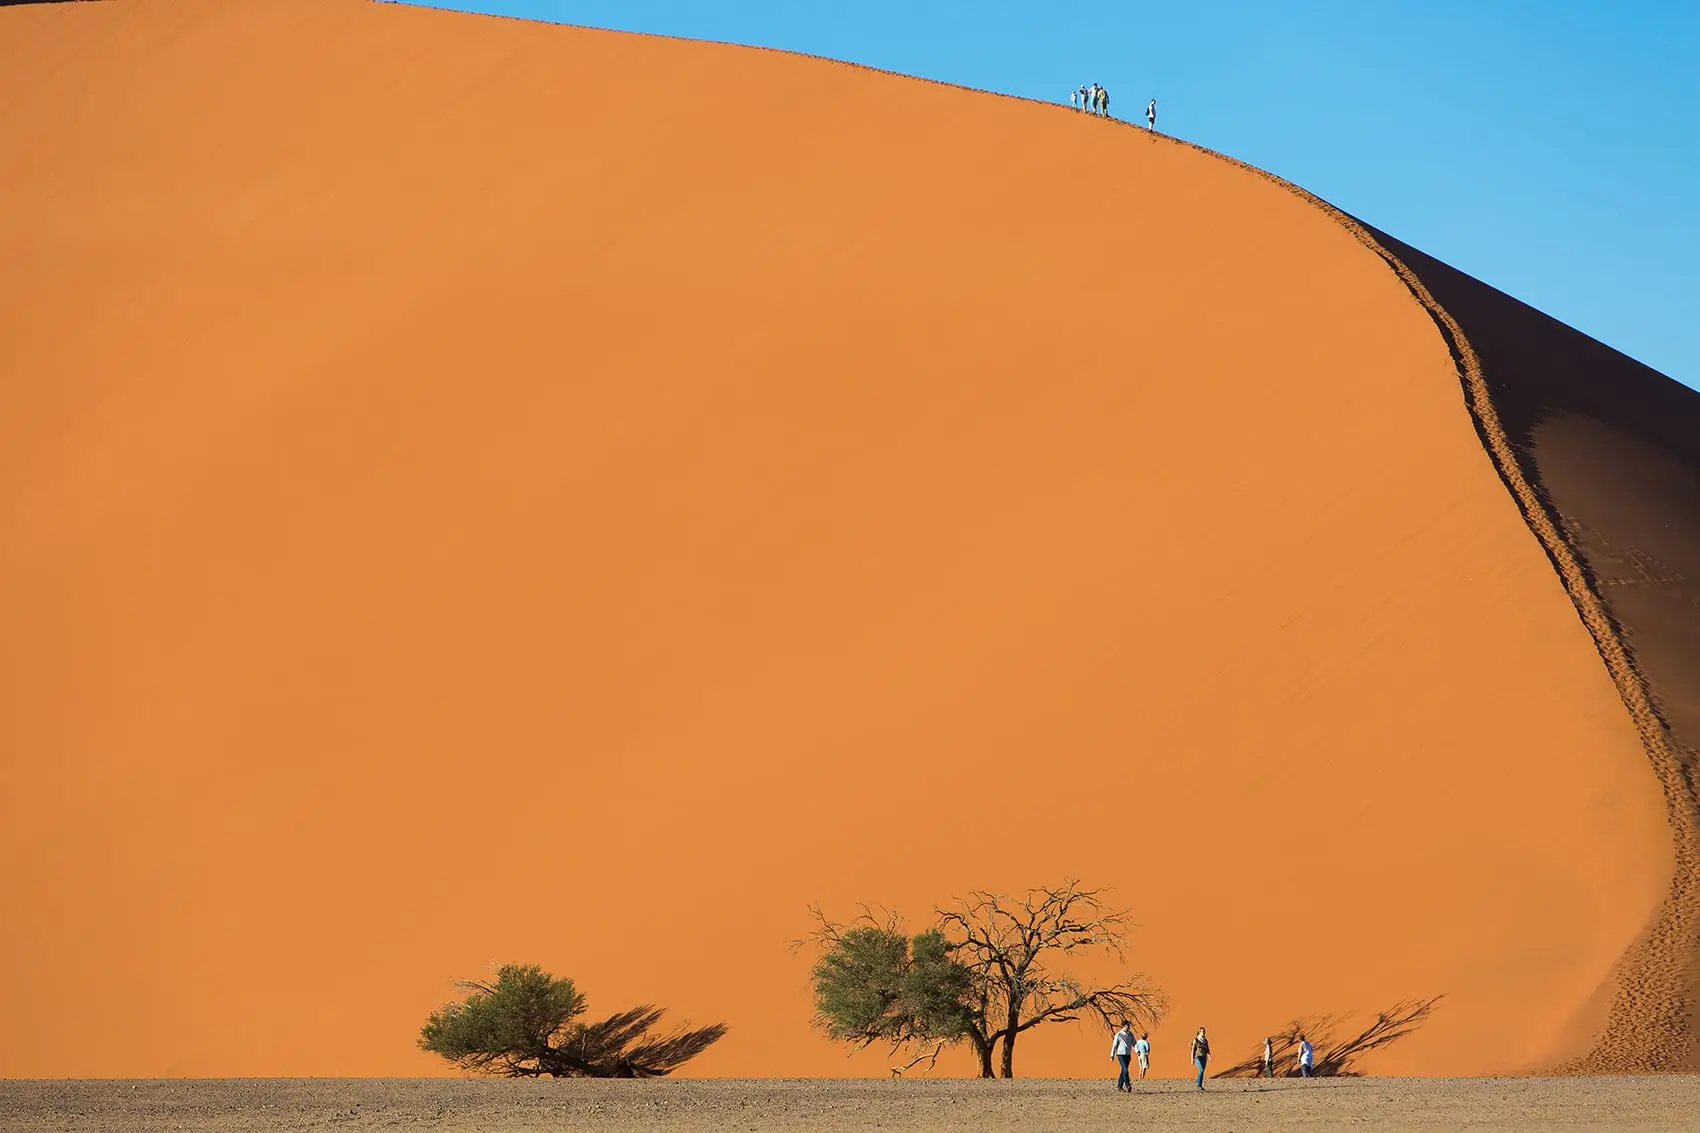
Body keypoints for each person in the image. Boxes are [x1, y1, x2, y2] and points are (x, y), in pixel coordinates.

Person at [1111, 1022, 1136, 1092]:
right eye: (1127, 1025)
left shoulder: (1130, 1034)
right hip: (1120, 1054)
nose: (1128, 1027)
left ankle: (1119, 1087)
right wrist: (1112, 1055)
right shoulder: (1119, 1034)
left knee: (1123, 1070)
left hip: (1128, 1055)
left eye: (1129, 1025)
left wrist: (1137, 1051)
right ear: (1123, 1026)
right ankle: (1128, 1085)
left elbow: (1134, 1044)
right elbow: (1114, 1045)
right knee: (1125, 1069)